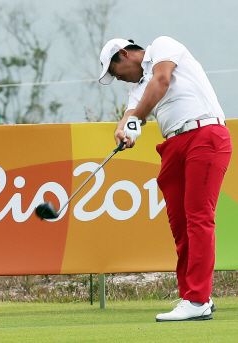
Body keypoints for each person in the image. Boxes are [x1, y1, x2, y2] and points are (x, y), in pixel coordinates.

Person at [98, 36, 232, 322]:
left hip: (205, 134)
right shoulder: (137, 89)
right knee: (181, 224)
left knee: (198, 217)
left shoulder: (162, 46)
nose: (117, 78)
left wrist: (135, 123)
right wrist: (122, 131)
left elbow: (162, 81)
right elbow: (131, 115)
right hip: (173, 144)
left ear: (124, 54)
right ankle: (195, 297)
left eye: (114, 71)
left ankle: (196, 300)